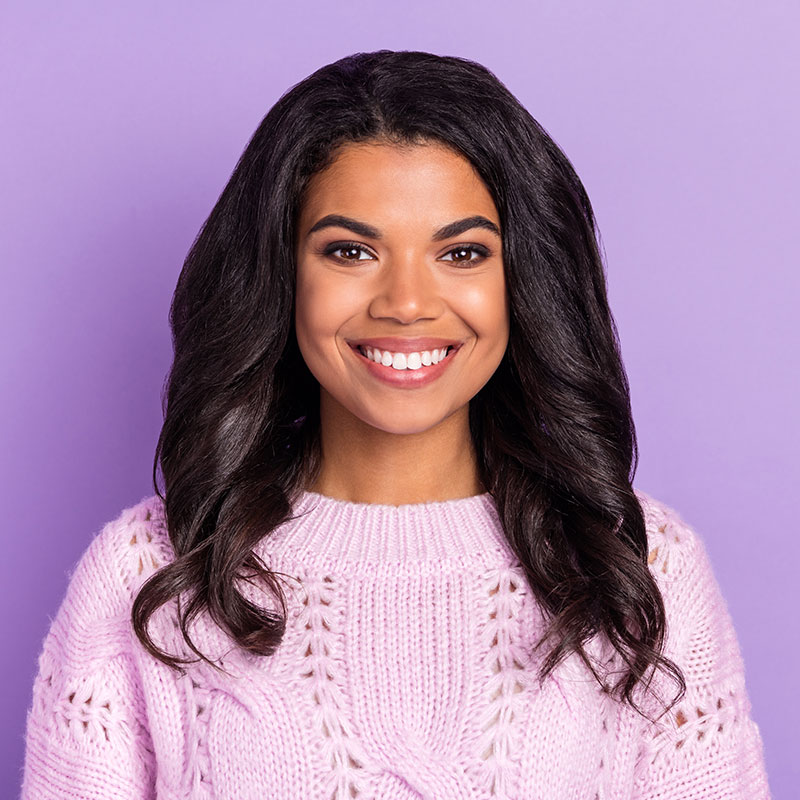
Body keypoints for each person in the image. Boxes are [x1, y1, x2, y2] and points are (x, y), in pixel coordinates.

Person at [21, 49, 770, 799]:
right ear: (282, 274)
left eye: (462, 252)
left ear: (523, 281)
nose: (406, 303)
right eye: (350, 251)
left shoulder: (641, 567)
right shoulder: (148, 573)